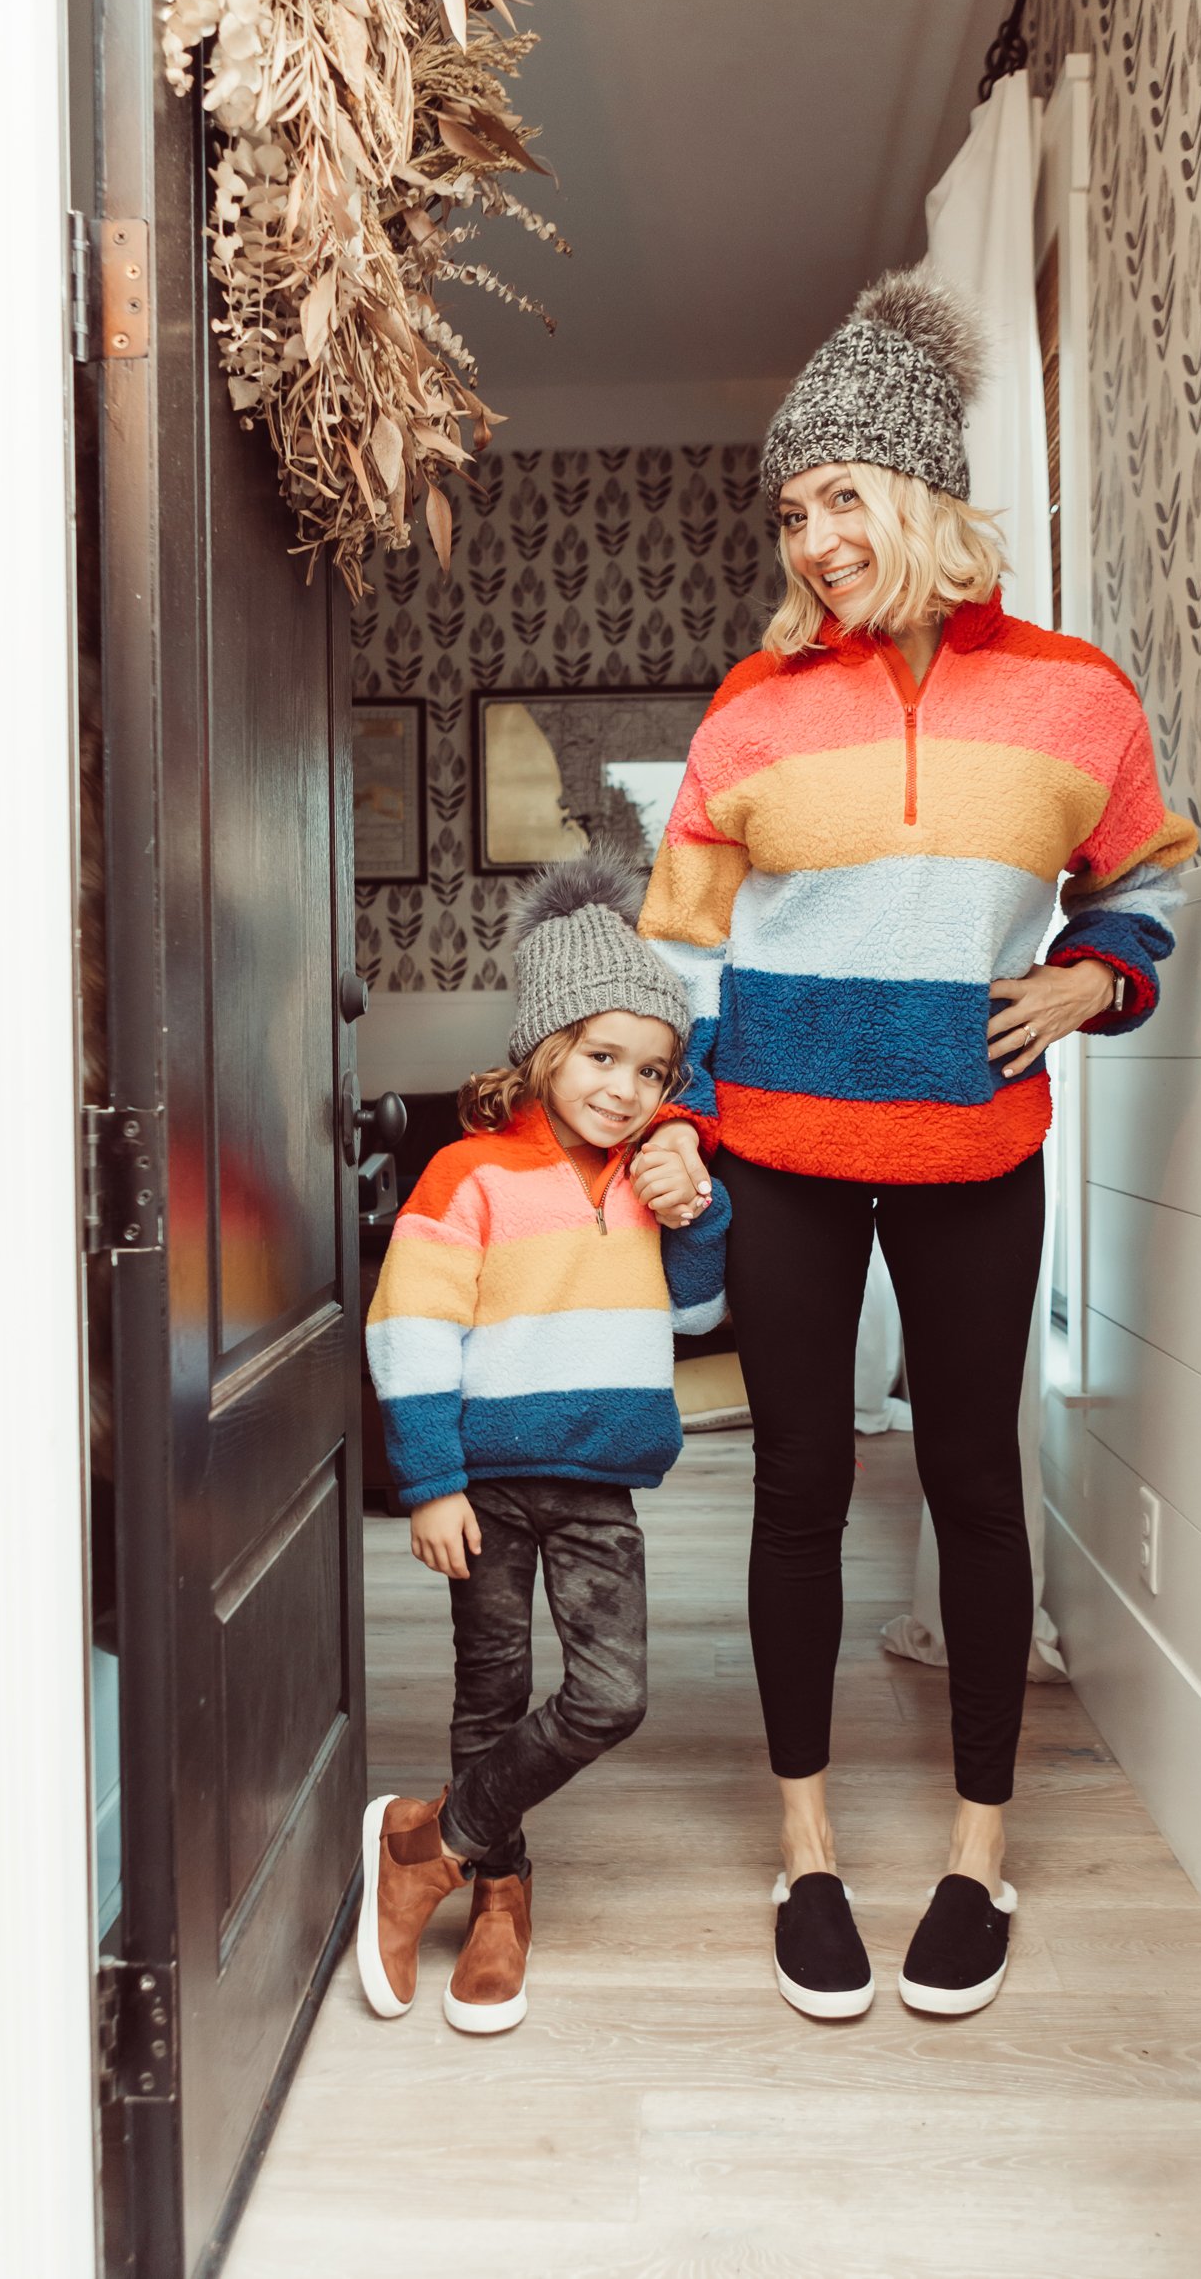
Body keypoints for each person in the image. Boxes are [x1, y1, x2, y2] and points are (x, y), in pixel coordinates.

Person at [629, 265, 1196, 2021]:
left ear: (921, 498)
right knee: (798, 1487)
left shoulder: (1076, 701)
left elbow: (1147, 879)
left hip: (973, 1152)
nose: (809, 539)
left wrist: (1092, 982)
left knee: (968, 1483)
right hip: (783, 1154)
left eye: (840, 501)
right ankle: (805, 1850)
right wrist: (665, 1116)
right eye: (792, 510)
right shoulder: (751, 708)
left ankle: (977, 1856)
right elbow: (674, 960)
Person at [358, 848, 728, 2035]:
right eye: (602, 1055)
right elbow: (409, 1326)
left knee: (609, 1695)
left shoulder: (649, 1173)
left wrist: (699, 1202)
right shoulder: (467, 1172)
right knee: (491, 1691)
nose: (625, 1088)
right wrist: (427, 1481)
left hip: (595, 1482)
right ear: (545, 1043)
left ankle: (429, 1841)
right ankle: (500, 1889)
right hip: (483, 1483)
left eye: (652, 1069)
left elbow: (701, 1307)